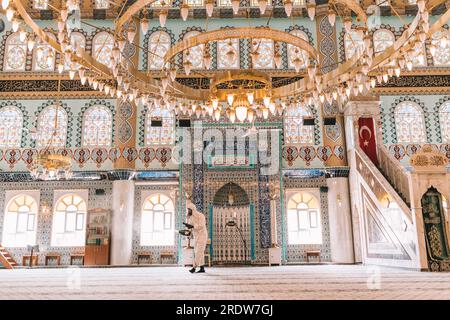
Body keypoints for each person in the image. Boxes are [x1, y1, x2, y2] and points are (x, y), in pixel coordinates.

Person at [185, 207, 208, 273]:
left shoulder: (201, 216)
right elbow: (189, 227)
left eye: (189, 210)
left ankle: (194, 267)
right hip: (196, 237)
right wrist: (188, 232)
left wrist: (192, 226)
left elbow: (201, 225)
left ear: (193, 209)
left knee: (199, 252)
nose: (188, 211)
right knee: (198, 252)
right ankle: (202, 268)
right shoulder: (191, 218)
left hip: (202, 236)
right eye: (188, 210)